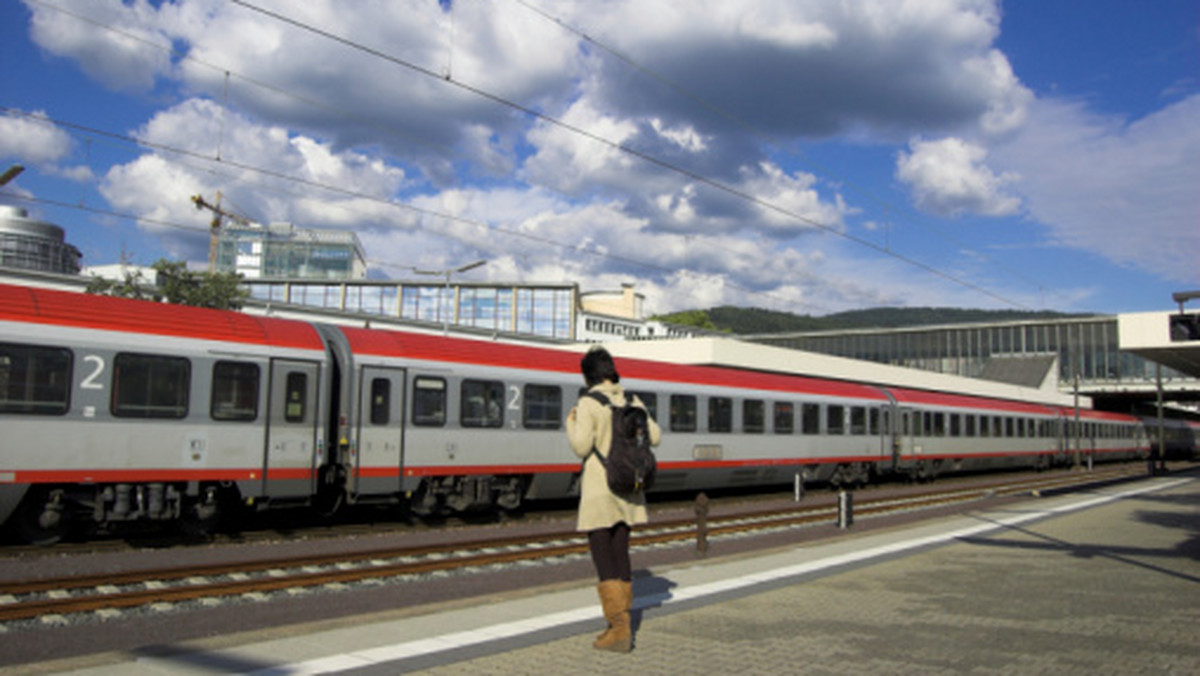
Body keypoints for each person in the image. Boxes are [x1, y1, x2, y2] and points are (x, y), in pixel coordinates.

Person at [566, 346, 661, 653]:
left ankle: (618, 629)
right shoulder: (633, 400)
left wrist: (571, 422)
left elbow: (581, 447)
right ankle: (624, 623)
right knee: (621, 552)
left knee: (602, 556)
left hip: (600, 488)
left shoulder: (588, 402)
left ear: (588, 374)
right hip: (629, 488)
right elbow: (655, 437)